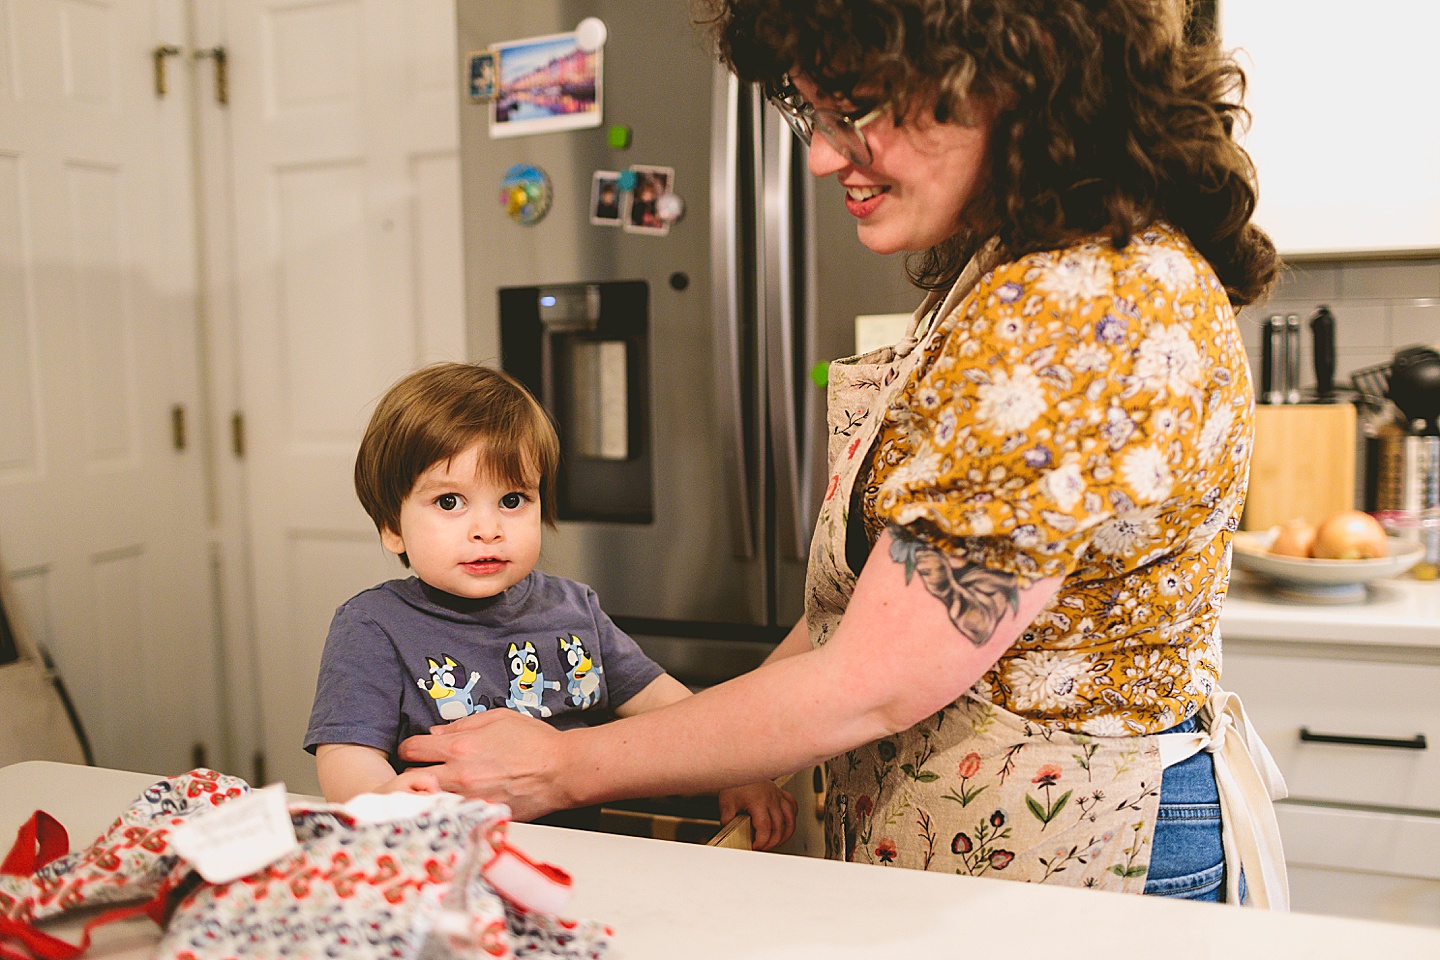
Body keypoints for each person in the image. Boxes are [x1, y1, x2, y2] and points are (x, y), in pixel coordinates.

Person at [394, 0, 1291, 905]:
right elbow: (860, 615)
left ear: (1017, 76)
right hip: (999, 850)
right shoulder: (1015, 268)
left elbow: (872, 682)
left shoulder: (1078, 304)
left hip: (1086, 863)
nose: (822, 155)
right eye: (811, 114)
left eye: (856, 110)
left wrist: (562, 767)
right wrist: (726, 748)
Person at [304, 363, 797, 849]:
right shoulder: (372, 625)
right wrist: (381, 797)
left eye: (513, 500)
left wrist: (736, 769)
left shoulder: (573, 607)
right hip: (444, 872)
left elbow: (662, 703)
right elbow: (345, 753)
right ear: (392, 526)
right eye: (450, 502)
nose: (488, 528)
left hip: (582, 867)